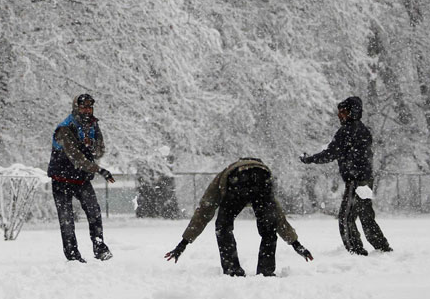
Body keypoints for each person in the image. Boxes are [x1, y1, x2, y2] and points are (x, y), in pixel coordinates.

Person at [165, 157, 313, 277]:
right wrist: (296, 244)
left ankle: (232, 270)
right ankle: (266, 270)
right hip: (263, 179)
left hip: (235, 182)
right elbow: (279, 217)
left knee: (223, 228)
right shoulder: (261, 175)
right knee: (269, 228)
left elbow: (204, 211)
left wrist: (183, 244)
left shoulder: (225, 175)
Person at [300, 96, 392, 255]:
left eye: (343, 112)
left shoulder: (347, 131)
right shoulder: (363, 129)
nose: (339, 116)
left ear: (352, 112)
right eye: (339, 112)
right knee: (366, 216)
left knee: (346, 217)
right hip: (366, 180)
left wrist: (311, 159)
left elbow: (331, 153)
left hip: (355, 182)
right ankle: (382, 247)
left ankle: (355, 251)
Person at [47, 93, 115, 262]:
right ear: (76, 108)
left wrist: (91, 146)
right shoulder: (65, 128)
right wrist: (100, 170)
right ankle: (72, 254)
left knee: (94, 211)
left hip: (81, 179)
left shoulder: (93, 125)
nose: (87, 110)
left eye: (89, 107)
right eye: (83, 107)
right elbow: (76, 158)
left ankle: (99, 247)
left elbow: (100, 150)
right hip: (61, 179)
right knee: (67, 218)